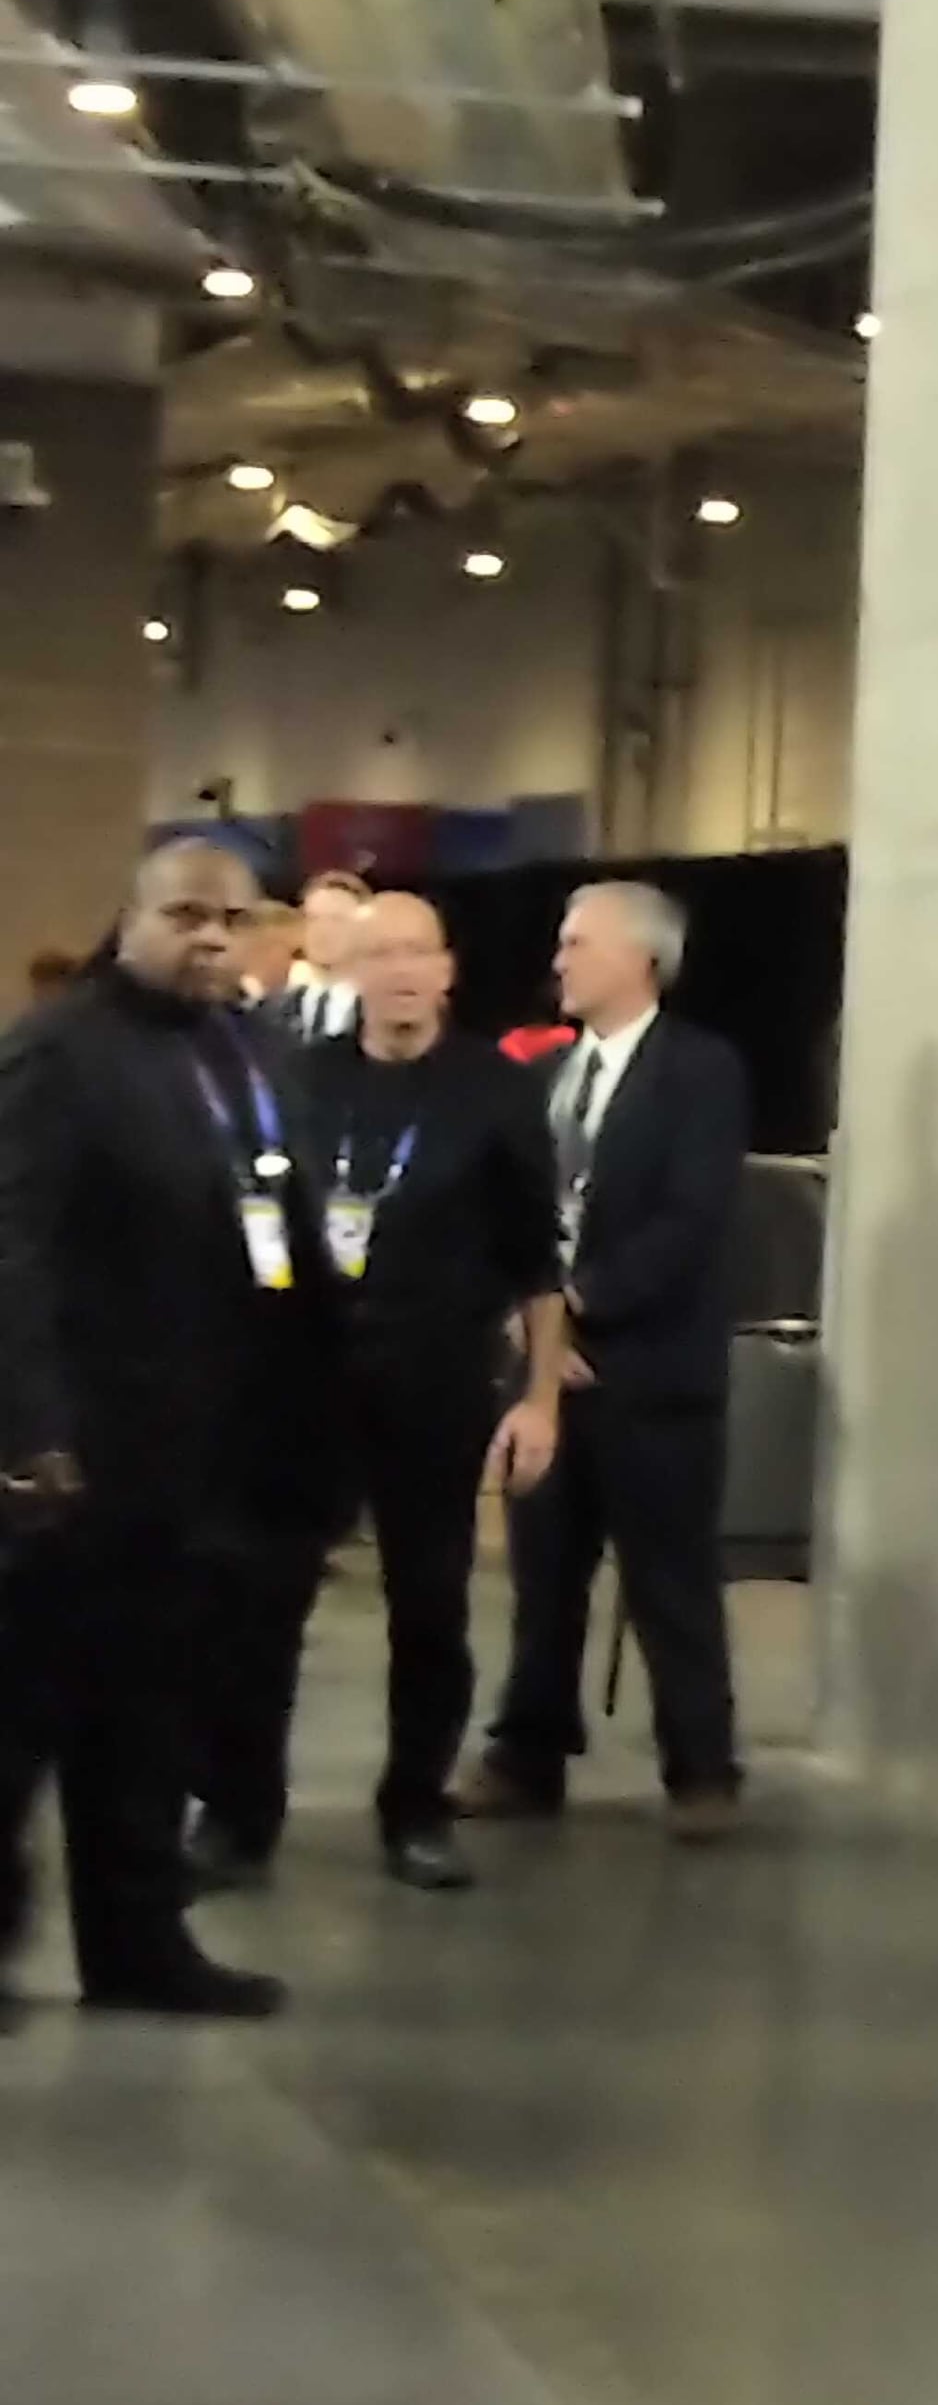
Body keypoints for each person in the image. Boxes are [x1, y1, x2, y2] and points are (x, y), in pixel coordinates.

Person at [187, 893, 565, 1894]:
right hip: (302, 1385)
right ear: (348, 971)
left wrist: (540, 1399)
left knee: (429, 1607)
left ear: (446, 970)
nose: (400, 971)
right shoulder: (298, 1078)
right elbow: (254, 1215)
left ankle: (415, 1811)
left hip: (435, 1385)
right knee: (261, 1607)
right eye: (379, 953)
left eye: (417, 953)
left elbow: (537, 1260)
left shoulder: (495, 1090)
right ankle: (237, 1817)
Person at [0, 839, 314, 2019]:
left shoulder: (245, 1052)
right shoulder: (58, 1051)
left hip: (200, 1452)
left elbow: (272, 1231)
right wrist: (29, 1427)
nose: (211, 938)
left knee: (149, 1716)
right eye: (185, 915)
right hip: (75, 1458)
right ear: (128, 918)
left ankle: (137, 1948)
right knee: (20, 1716)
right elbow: (10, 1249)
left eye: (232, 919)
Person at [460, 882, 753, 1839]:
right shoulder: (544, 1075)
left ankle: (701, 1769)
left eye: (579, 942)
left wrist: (575, 1312)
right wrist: (530, 1322)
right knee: (543, 1581)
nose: (559, 960)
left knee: (670, 1581)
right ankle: (528, 1754)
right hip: (547, 1381)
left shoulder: (700, 1073)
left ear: (641, 958)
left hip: (652, 1376)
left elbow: (689, 1221)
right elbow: (509, 1214)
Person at [270, 867, 373, 1045]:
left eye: (337, 920)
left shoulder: (380, 1011)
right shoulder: (273, 1010)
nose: (322, 931)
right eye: (313, 919)